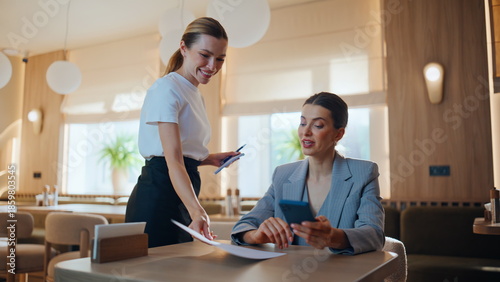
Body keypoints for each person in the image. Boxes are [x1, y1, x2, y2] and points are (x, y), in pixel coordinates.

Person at [126, 17, 237, 248]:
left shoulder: (194, 93)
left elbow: (181, 154)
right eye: (205, 55)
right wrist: (198, 211)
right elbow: (172, 161)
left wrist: (209, 159)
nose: (212, 66)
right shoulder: (167, 89)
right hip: (159, 194)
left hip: (182, 192)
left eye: (220, 59)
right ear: (184, 48)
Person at [231, 92, 384, 255]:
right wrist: (256, 236)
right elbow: (243, 227)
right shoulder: (283, 175)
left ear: (338, 134)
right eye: (303, 123)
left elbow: (374, 235)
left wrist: (333, 237)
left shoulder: (364, 173)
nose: (306, 132)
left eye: (317, 125)